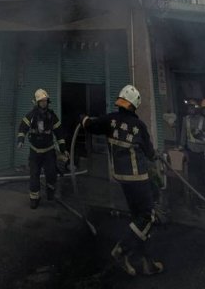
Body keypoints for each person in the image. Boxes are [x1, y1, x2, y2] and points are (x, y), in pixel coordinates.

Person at [81, 85, 164, 276]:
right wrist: (157, 156)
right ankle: (121, 250)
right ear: (134, 106)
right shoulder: (139, 126)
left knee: (139, 219)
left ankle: (147, 262)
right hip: (138, 179)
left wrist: (82, 117)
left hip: (122, 179)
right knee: (148, 217)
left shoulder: (109, 120)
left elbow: (89, 125)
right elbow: (150, 154)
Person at [16, 88, 67, 209]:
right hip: (35, 152)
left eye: (45, 101)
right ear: (37, 102)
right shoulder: (31, 115)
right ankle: (34, 198)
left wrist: (63, 148)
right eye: (41, 101)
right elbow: (23, 127)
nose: (44, 103)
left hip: (48, 151)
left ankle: (50, 193)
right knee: (34, 175)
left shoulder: (52, 116)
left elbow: (59, 133)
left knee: (51, 173)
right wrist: (20, 140)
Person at [176, 98, 205, 208]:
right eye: (189, 107)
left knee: (203, 176)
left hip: (203, 152)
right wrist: (181, 147)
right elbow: (183, 135)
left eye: (193, 107)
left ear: (197, 109)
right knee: (193, 176)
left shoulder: (203, 121)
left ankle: (204, 199)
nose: (190, 109)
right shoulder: (185, 120)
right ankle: (193, 199)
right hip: (191, 151)